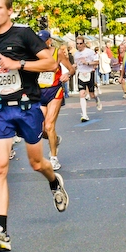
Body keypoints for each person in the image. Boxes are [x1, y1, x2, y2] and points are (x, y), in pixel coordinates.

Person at [0, 0, 69, 252]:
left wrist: (20, 65)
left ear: (9, 11)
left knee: (36, 163)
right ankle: (1, 229)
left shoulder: (25, 34)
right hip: (1, 110)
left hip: (27, 108)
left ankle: (53, 181)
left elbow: (49, 64)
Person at [37, 31, 75, 170]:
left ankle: (53, 158)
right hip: (39, 91)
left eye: (43, 40)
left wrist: (67, 74)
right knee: (41, 129)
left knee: (49, 125)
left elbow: (71, 69)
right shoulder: (34, 54)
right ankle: (55, 139)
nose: (41, 43)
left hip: (55, 90)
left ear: (49, 41)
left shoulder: (57, 52)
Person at [73, 36, 102, 121]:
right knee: (82, 94)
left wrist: (87, 63)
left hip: (89, 74)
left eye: (80, 43)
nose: (79, 45)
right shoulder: (76, 54)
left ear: (84, 43)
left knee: (92, 94)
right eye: (77, 44)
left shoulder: (90, 52)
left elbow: (97, 62)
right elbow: (76, 64)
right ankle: (84, 115)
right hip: (81, 74)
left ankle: (96, 99)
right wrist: (74, 66)